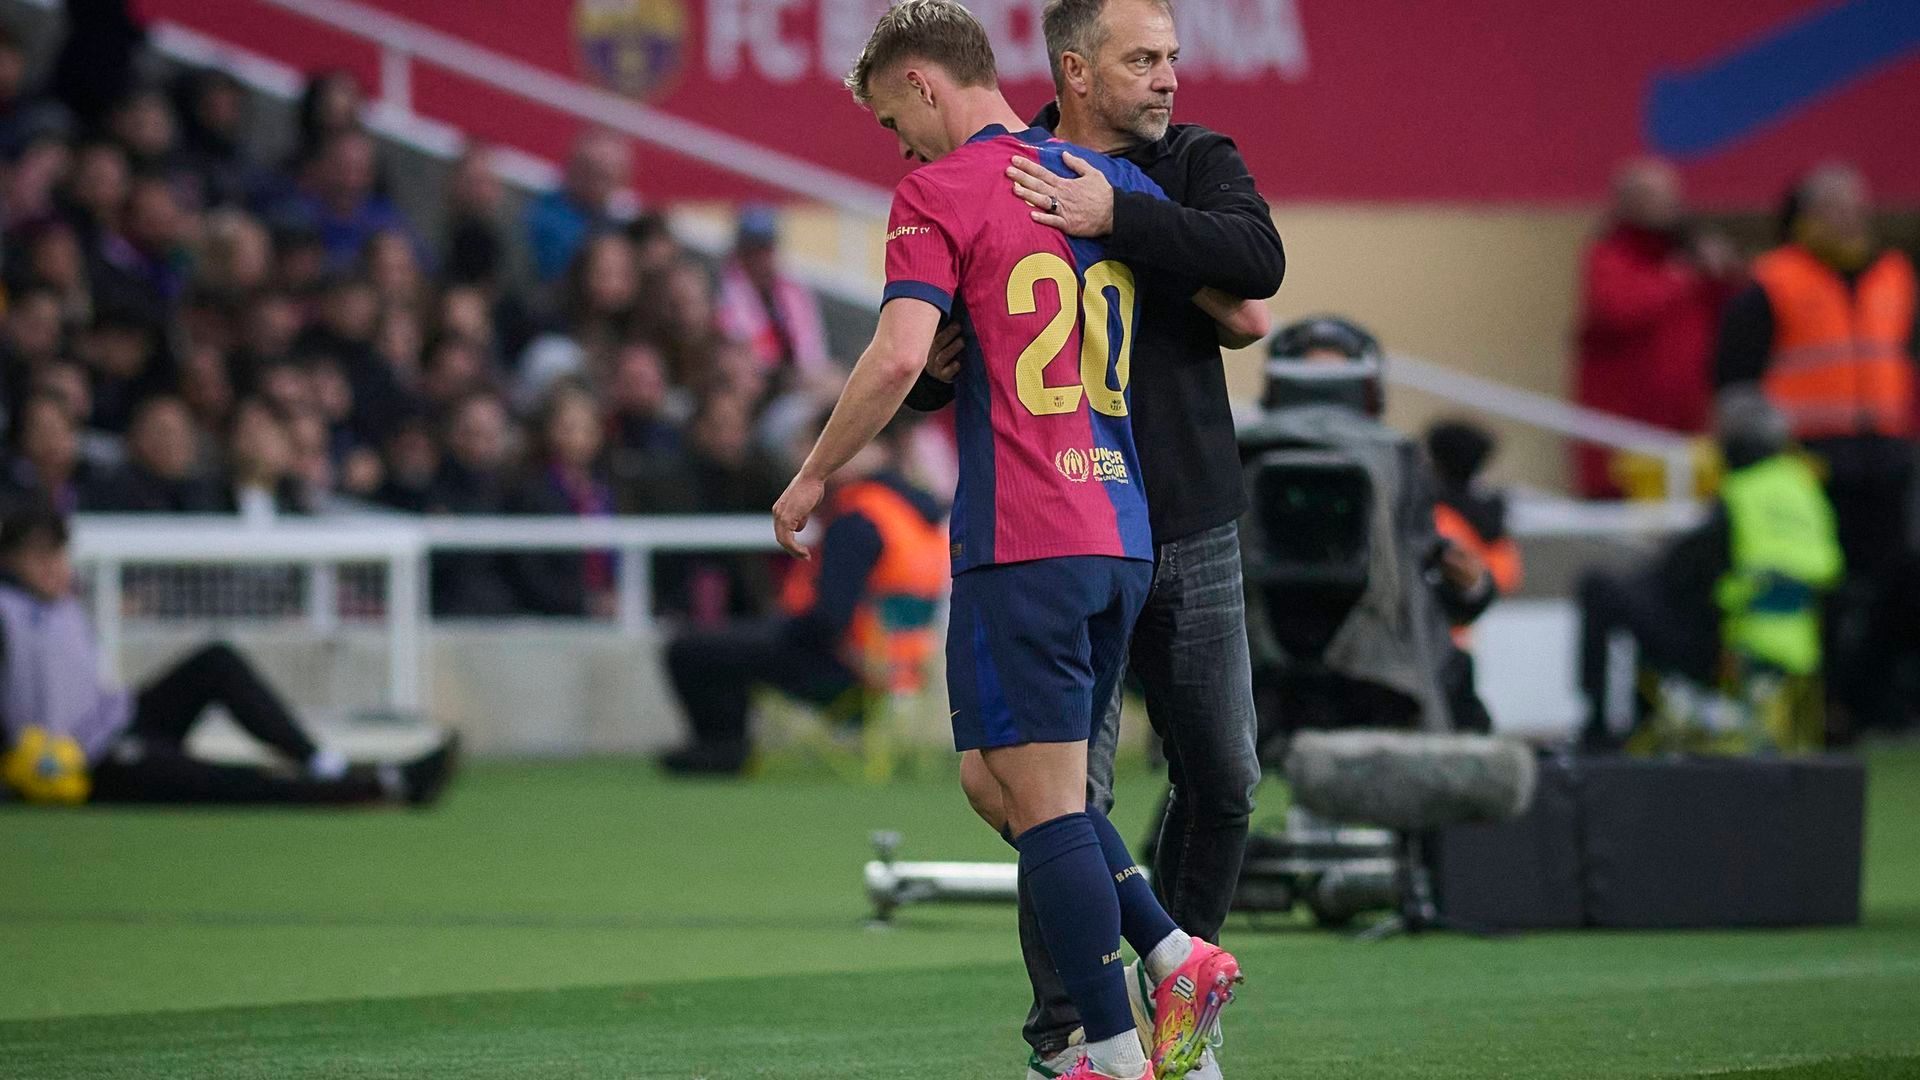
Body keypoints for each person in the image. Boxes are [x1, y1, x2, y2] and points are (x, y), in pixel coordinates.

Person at [775, 5, 1263, 1077]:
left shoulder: (938, 191)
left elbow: (900, 359)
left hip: (1026, 534)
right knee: (998, 785)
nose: (899, 146)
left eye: (893, 120)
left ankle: (1112, 1049)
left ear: (920, 83)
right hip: (1120, 527)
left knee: (1042, 803)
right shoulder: (1100, 183)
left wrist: (813, 473)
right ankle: (1170, 951)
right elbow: (1244, 316)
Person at [0, 504, 458, 806]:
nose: (56, 567)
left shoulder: (59, 603)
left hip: (119, 721)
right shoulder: (7, 613)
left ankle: (322, 762)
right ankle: (375, 787)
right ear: (9, 559)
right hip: (84, 765)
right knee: (226, 782)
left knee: (215, 661)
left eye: (58, 554)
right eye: (39, 556)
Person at [1241, 317, 1495, 734]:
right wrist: (1474, 588)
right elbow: (1435, 577)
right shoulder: (1398, 461)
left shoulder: (1237, 454)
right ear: (1369, 389)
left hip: (1251, 666)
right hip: (1379, 673)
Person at [659, 411, 944, 775]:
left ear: (869, 444)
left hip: (849, 673)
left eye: (827, 441)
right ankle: (722, 748)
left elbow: (828, 619)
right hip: (905, 673)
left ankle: (722, 750)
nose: (813, 455)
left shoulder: (861, 515)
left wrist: (778, 629)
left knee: (690, 647)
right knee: (735, 642)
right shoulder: (917, 513)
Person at [1576, 391, 1843, 751]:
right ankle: (1644, 717)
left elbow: (1682, 571)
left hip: (1731, 645)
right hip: (1800, 646)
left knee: (1600, 589)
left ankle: (1601, 728)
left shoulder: (1742, 494)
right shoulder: (1804, 488)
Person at [1714, 164, 1917, 587]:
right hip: (1804, 459)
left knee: (1889, 582)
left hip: (1886, 454)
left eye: (1856, 207)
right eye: (1834, 208)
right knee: (1819, 577)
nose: (1849, 218)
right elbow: (1734, 377)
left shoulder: (1895, 276)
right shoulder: (1774, 280)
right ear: (1805, 214)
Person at [1572, 160, 1742, 498]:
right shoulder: (1608, 256)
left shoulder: (1691, 258)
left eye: (1669, 196)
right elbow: (1618, 310)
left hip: (1688, 429)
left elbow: (1733, 320)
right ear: (1624, 202)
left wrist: (1725, 274)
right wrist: (1679, 277)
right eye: (1652, 197)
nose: (1667, 205)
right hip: (1624, 437)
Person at [715, 206, 833, 386]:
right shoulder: (725, 291)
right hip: (759, 382)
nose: (761, 259)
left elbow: (813, 350)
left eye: (766, 249)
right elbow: (746, 345)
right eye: (753, 251)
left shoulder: (793, 291)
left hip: (798, 380)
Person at [524, 129, 632, 283]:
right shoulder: (539, 216)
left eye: (605, 175)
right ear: (571, 166)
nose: (596, 183)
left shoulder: (618, 230)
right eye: (590, 170)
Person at [80, 394, 219, 512]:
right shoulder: (107, 494)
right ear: (136, 437)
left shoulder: (212, 495)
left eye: (180, 433)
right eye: (163, 432)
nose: (172, 442)